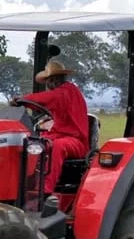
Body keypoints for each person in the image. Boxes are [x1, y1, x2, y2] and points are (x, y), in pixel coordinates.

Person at [10, 60, 89, 195]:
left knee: (56, 146)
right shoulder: (61, 94)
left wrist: (22, 99)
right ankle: (23, 185)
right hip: (59, 134)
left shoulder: (67, 92)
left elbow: (47, 98)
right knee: (33, 142)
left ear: (54, 79)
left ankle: (44, 190)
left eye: (48, 80)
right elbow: (45, 102)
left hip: (76, 141)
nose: (47, 84)